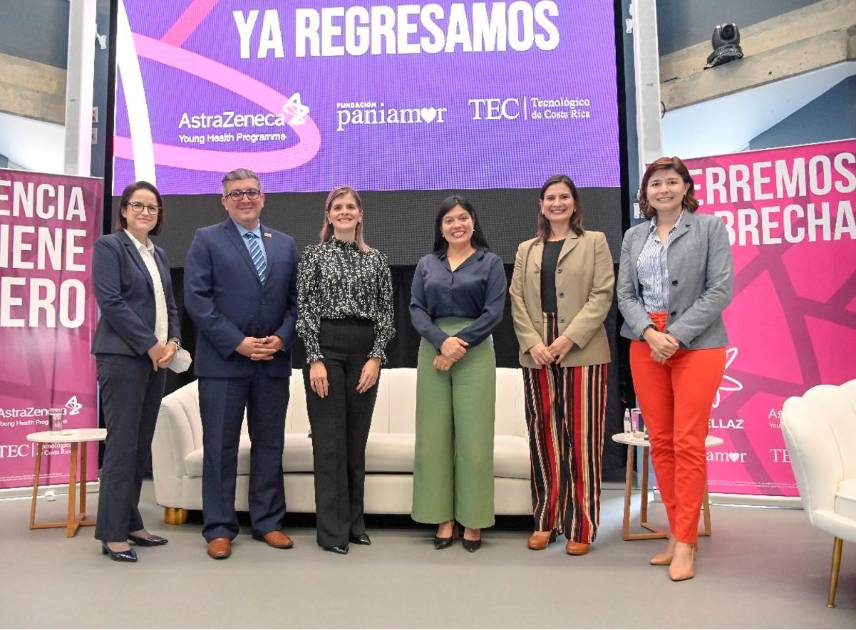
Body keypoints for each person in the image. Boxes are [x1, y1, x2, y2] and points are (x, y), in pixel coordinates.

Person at [617, 156, 733, 581]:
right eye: (655, 184)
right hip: (645, 343)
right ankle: (677, 531)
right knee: (661, 443)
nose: (662, 190)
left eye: (670, 182)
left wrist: (676, 335)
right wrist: (650, 332)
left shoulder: (709, 228)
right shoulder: (634, 236)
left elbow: (720, 289)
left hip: (697, 344)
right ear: (645, 193)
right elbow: (625, 294)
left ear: (686, 188)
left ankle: (685, 542)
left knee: (688, 442)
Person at [184, 168, 299, 560]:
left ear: (263, 198)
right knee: (220, 446)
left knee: (269, 443)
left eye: (251, 192)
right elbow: (198, 300)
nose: (245, 199)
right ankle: (219, 528)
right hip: (223, 364)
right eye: (236, 194)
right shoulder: (206, 239)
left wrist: (281, 338)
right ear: (224, 201)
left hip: (272, 362)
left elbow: (296, 302)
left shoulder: (285, 244)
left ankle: (268, 522)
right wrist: (238, 343)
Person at [509, 174, 614, 556]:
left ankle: (581, 526)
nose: (557, 203)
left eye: (564, 197)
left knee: (582, 440)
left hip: (581, 348)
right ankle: (546, 521)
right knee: (544, 437)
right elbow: (517, 299)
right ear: (541, 204)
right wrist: (533, 343)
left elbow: (602, 294)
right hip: (537, 350)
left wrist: (569, 338)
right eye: (550, 197)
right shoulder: (527, 249)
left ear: (574, 203)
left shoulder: (595, 242)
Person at [296, 186, 395, 555]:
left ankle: (355, 524)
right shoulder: (314, 256)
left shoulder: (377, 260)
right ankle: (331, 532)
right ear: (328, 214)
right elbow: (305, 309)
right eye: (337, 207)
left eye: (350, 206)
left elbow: (387, 313)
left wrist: (376, 357)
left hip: (364, 352)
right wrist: (315, 358)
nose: (344, 211)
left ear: (360, 214)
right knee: (329, 443)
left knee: (355, 442)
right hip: (327, 348)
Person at [410, 195, 507, 552]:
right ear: (441, 228)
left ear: (473, 222)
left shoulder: (490, 262)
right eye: (449, 220)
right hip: (433, 349)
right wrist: (441, 342)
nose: (457, 225)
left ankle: (473, 520)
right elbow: (416, 309)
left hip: (475, 350)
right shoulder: (426, 264)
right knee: (434, 438)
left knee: (474, 439)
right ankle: (442, 518)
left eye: (463, 218)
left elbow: (494, 312)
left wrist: (458, 344)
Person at [92, 181, 181, 562]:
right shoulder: (110, 247)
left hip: (157, 361)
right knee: (122, 446)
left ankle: (130, 522)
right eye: (138, 205)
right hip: (123, 358)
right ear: (124, 210)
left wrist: (173, 341)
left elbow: (170, 306)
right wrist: (150, 344)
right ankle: (112, 533)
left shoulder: (158, 254)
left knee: (140, 446)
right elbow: (111, 302)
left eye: (152, 207)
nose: (146, 212)